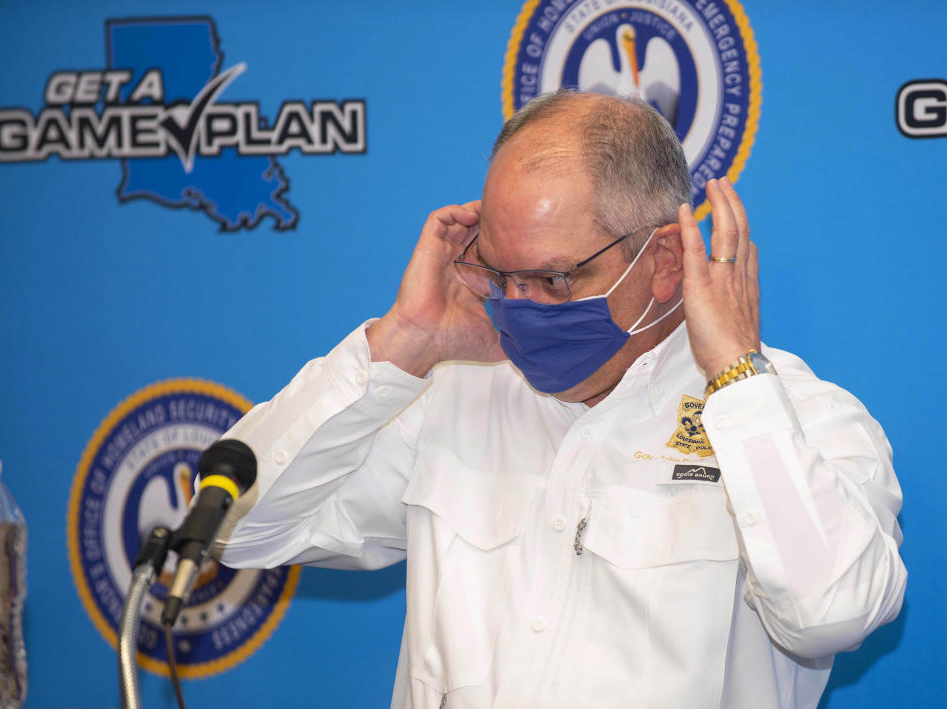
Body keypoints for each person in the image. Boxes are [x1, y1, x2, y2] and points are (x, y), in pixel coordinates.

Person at [213, 90, 906, 708]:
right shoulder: (450, 397)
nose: (518, 306)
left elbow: (832, 612)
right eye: (498, 271)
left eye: (554, 279)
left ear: (665, 261)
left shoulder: (800, 417)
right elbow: (238, 527)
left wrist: (736, 380)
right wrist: (402, 342)